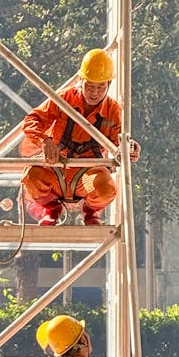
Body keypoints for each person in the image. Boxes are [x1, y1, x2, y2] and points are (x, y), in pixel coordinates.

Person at [20, 47, 140, 226]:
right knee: (32, 177)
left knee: (106, 189)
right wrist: (45, 141)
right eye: (90, 86)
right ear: (81, 81)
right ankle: (52, 210)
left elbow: (119, 143)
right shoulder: (64, 99)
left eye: (100, 87)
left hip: (88, 174)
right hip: (57, 167)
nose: (94, 92)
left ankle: (91, 212)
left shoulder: (113, 111)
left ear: (108, 85)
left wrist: (129, 150)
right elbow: (32, 120)